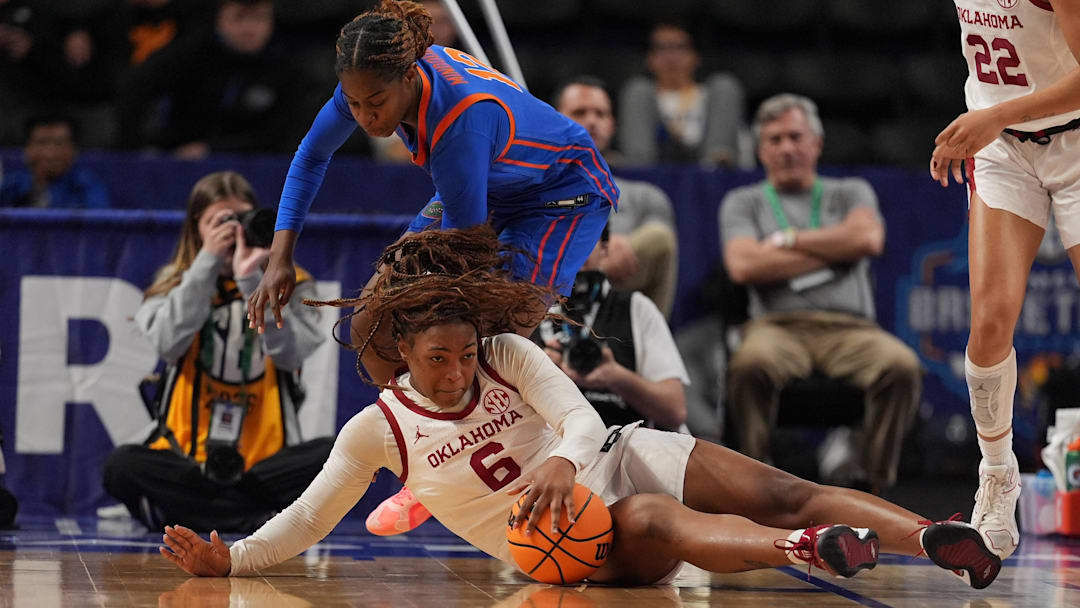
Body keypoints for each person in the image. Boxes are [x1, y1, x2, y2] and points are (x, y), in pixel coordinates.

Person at [159, 227, 1001, 590]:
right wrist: (230, 562)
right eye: (437, 359)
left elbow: (583, 421)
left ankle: (928, 537)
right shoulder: (377, 430)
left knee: (781, 482)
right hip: (556, 545)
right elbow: (306, 520)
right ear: (404, 358)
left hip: (605, 457)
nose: (456, 370)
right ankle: (805, 551)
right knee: (646, 518)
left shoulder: (505, 354)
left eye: (463, 351)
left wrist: (565, 460)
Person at [246, 0, 616, 537]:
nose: (367, 117)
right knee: (370, 323)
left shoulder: (458, 124)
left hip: (561, 195)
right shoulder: (369, 78)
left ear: (408, 77)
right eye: (355, 104)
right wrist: (281, 256)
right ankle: (420, 469)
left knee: (486, 337)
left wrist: (430, 325)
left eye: (376, 103)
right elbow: (310, 156)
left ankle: (493, 464)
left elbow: (469, 257)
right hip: (484, 185)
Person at [928, 0, 1080, 561]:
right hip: (1004, 149)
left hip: (1076, 140)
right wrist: (986, 120)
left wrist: (993, 114)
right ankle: (997, 479)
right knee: (989, 321)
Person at [102, 171, 332, 533]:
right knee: (121, 465)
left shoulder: (295, 283)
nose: (233, 231)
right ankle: (252, 520)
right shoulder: (173, 283)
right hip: (185, 461)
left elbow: (292, 355)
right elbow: (168, 343)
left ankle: (194, 518)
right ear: (197, 228)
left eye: (241, 220)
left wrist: (252, 281)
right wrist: (207, 262)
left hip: (265, 464)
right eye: (220, 222)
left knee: (332, 455)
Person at [720, 93, 922, 494]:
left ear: (817, 143)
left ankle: (871, 482)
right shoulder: (743, 201)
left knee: (902, 365)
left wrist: (787, 242)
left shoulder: (850, 190)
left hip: (851, 330)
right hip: (777, 327)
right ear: (761, 151)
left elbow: (867, 238)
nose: (787, 148)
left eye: (796, 136)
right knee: (749, 364)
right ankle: (757, 484)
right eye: (775, 140)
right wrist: (835, 252)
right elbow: (744, 266)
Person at [534, 226, 689, 431]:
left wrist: (617, 378)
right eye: (562, 241)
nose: (573, 252)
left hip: (623, 448)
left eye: (583, 239)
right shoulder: (532, 313)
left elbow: (675, 411)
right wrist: (536, 376)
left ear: (605, 248)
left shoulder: (635, 307)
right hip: (554, 449)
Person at [554, 76, 680, 317]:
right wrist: (600, 251)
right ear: (555, 120)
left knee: (659, 237)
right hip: (546, 309)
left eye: (600, 114)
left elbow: (660, 243)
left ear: (612, 125)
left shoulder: (645, 196)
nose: (591, 121)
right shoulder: (532, 187)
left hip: (618, 314)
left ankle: (642, 348)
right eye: (580, 112)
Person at [115, 0, 305, 158]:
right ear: (219, 19)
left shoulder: (287, 68)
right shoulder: (190, 55)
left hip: (255, 165)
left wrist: (213, 150)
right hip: (180, 161)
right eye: (239, 17)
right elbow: (134, 88)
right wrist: (138, 151)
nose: (249, 28)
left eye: (259, 18)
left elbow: (284, 135)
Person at [617, 23, 746, 167]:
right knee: (637, 89)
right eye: (662, 48)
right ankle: (639, 168)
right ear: (650, 59)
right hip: (655, 164)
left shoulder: (713, 95)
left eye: (679, 47)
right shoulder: (642, 96)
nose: (671, 57)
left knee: (724, 85)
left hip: (707, 166)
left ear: (695, 56)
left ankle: (716, 166)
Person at [0, 114, 111, 208]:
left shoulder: (86, 187)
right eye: (41, 143)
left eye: (59, 144)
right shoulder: (12, 187)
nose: (50, 154)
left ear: (74, 150)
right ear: (27, 149)